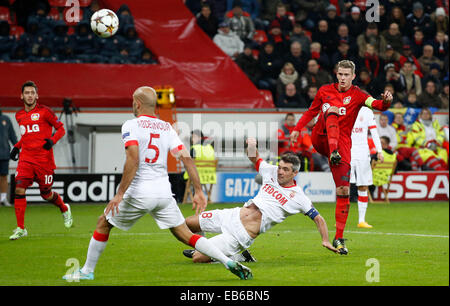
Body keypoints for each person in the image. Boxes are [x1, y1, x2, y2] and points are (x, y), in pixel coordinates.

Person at [62, 86, 252, 281]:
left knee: (103, 223)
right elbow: (186, 158)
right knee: (184, 234)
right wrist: (198, 191)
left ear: (137, 104)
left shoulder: (131, 125)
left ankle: (86, 271)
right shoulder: (166, 127)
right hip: (163, 194)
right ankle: (226, 261)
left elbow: (133, 159)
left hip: (140, 192)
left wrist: (119, 194)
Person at [289, 60, 393, 254]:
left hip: (343, 146)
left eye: (347, 75)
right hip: (321, 138)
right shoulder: (324, 91)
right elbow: (311, 112)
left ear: (353, 76)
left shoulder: (359, 95)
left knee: (344, 190)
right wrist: (297, 129)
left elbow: (378, 105)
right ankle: (333, 149)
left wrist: (386, 100)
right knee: (332, 110)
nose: (343, 78)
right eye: (340, 74)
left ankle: (339, 238)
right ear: (336, 74)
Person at [182, 140, 339, 263]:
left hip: (240, 234)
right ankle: (204, 247)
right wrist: (251, 145)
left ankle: (236, 257)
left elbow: (318, 218)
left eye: (286, 169)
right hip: (232, 215)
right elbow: (254, 157)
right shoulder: (270, 171)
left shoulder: (299, 197)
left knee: (197, 259)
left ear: (295, 173)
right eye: (280, 167)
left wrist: (325, 240)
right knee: (188, 223)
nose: (281, 172)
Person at [9, 81, 72, 240]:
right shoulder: (19, 115)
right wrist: (17, 146)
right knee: (19, 189)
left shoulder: (45, 112)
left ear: (37, 95)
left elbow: (61, 129)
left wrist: (52, 140)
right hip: (26, 160)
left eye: (32, 93)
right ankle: (21, 228)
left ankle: (64, 208)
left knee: (46, 194)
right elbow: (26, 137)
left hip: (44, 161)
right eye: (27, 93)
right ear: (21, 96)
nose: (29, 95)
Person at [350, 107, 383, 229]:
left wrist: (379, 150)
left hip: (363, 152)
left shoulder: (367, 111)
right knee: (342, 186)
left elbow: (374, 132)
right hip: (346, 151)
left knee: (363, 185)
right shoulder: (344, 107)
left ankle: (361, 220)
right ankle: (340, 219)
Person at [0, 108, 17, 206]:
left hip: (4, 154)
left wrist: (17, 147)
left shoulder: (6, 119)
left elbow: (12, 135)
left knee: (3, 176)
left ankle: (3, 198)